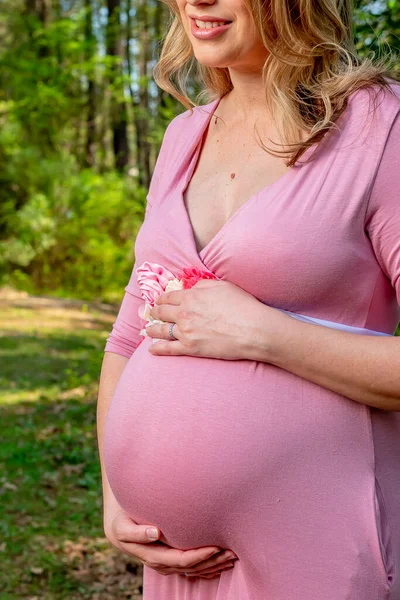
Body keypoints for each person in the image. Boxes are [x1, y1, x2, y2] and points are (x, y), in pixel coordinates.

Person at [96, 0, 400, 597]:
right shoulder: (184, 134)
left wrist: (268, 336)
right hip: (176, 561)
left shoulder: (378, 126)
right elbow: (130, 336)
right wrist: (114, 494)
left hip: (319, 546)